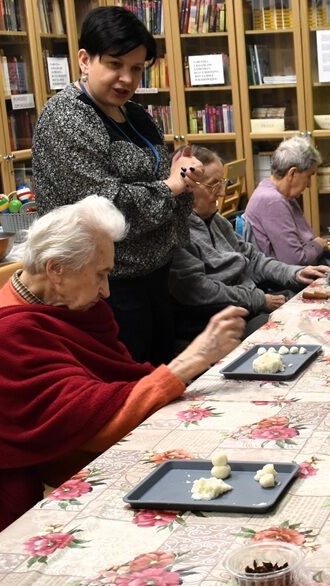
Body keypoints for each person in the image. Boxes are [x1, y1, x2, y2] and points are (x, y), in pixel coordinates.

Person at [0, 196, 246, 533]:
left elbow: (108, 386)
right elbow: (95, 427)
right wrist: (191, 361)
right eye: (100, 275)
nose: (105, 292)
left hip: (105, 441)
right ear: (56, 269)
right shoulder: (8, 337)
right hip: (78, 467)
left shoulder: (67, 303)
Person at [32, 6, 204, 365]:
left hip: (155, 274)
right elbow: (103, 206)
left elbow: (165, 173)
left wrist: (182, 171)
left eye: (137, 68)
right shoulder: (66, 117)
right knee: (125, 388)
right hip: (104, 286)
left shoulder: (136, 114)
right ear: (84, 59)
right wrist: (171, 188)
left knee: (159, 376)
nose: (126, 78)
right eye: (114, 64)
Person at [169, 147, 330, 339]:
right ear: (186, 187)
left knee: (320, 317)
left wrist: (295, 273)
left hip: (249, 307)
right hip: (219, 324)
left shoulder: (216, 221)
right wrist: (259, 300)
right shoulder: (177, 232)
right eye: (213, 185)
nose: (222, 193)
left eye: (222, 183)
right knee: (304, 330)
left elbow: (253, 258)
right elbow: (199, 290)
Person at [243, 135, 330, 265]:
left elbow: (309, 240)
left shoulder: (281, 192)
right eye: (309, 176)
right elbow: (296, 260)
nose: (310, 185)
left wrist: (329, 244)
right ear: (292, 173)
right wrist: (321, 244)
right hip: (289, 279)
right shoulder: (272, 200)